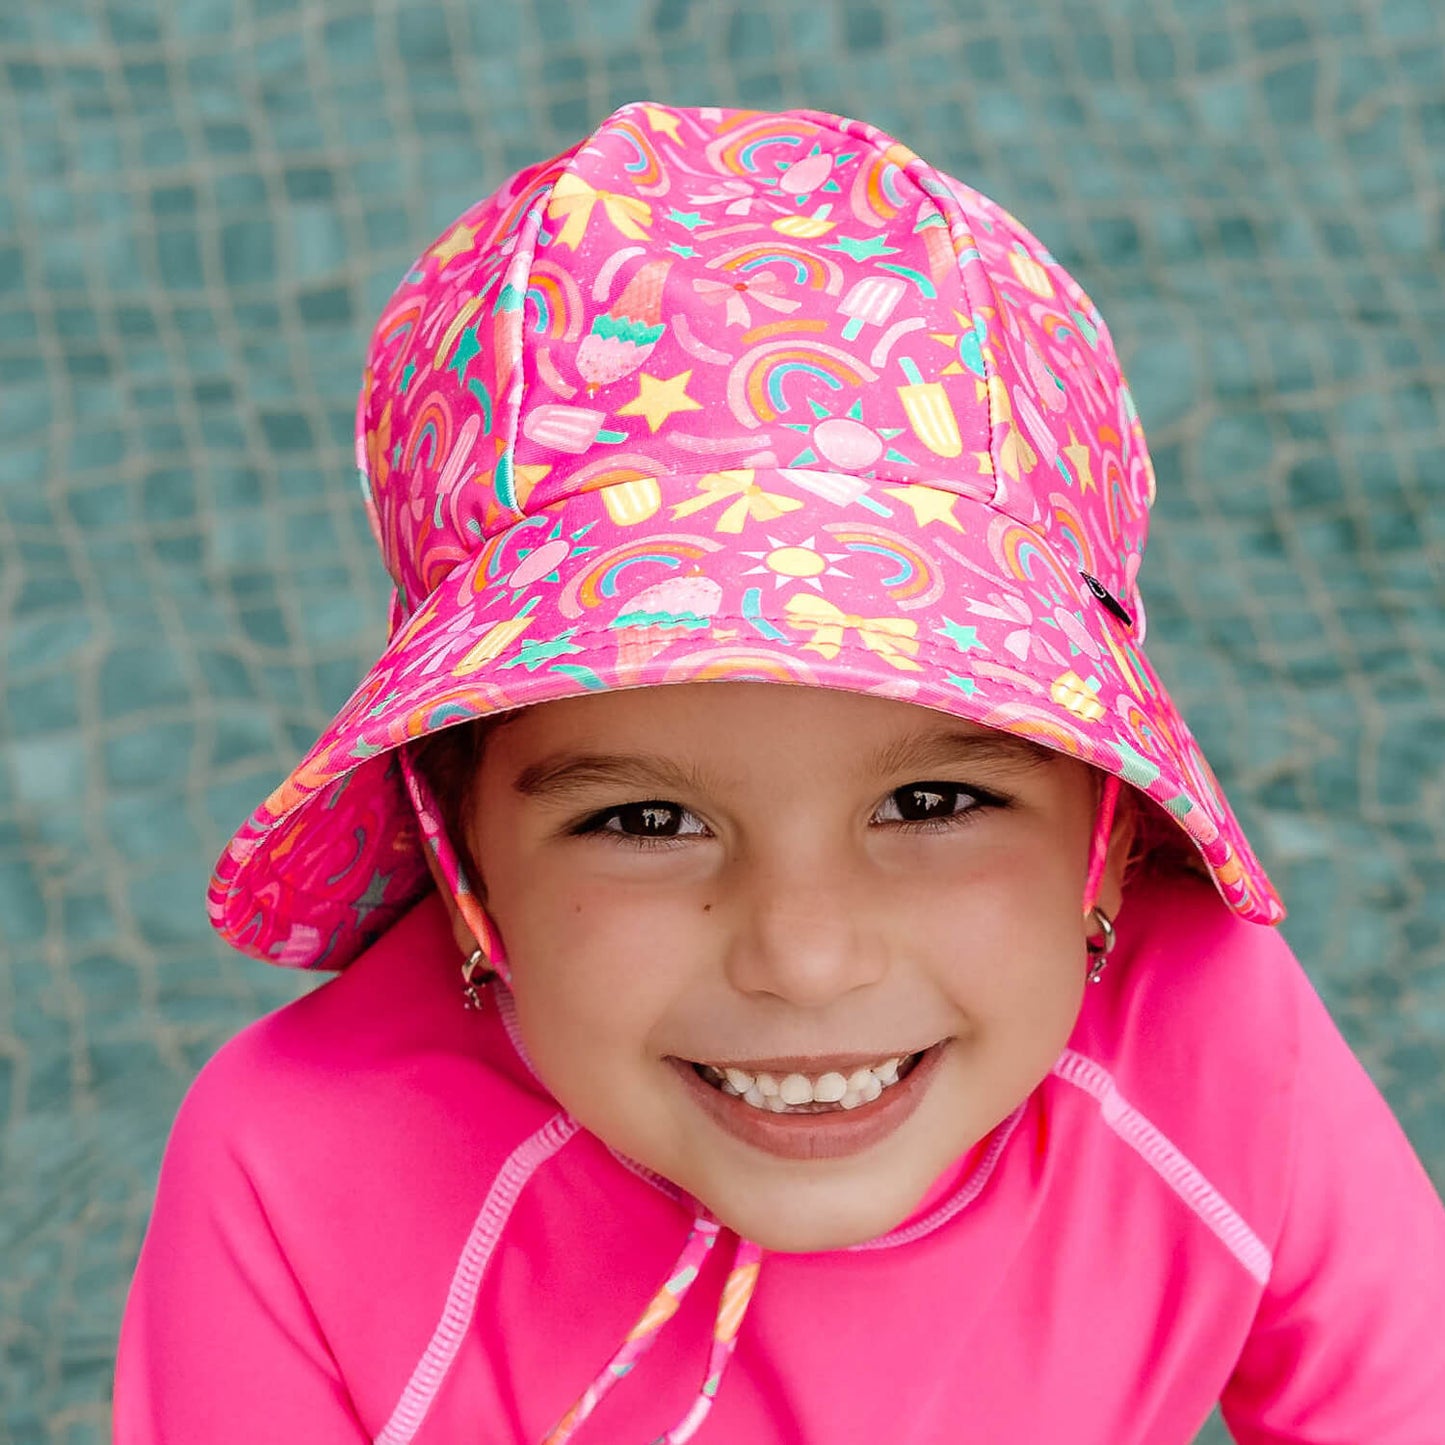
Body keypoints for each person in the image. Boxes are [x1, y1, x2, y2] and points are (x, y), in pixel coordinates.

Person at [113, 103, 1445, 1443]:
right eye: (645, 818)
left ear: (1104, 833)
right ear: (460, 858)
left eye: (930, 802)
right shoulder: (295, 1184)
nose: (804, 960)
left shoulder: (1210, 1042)